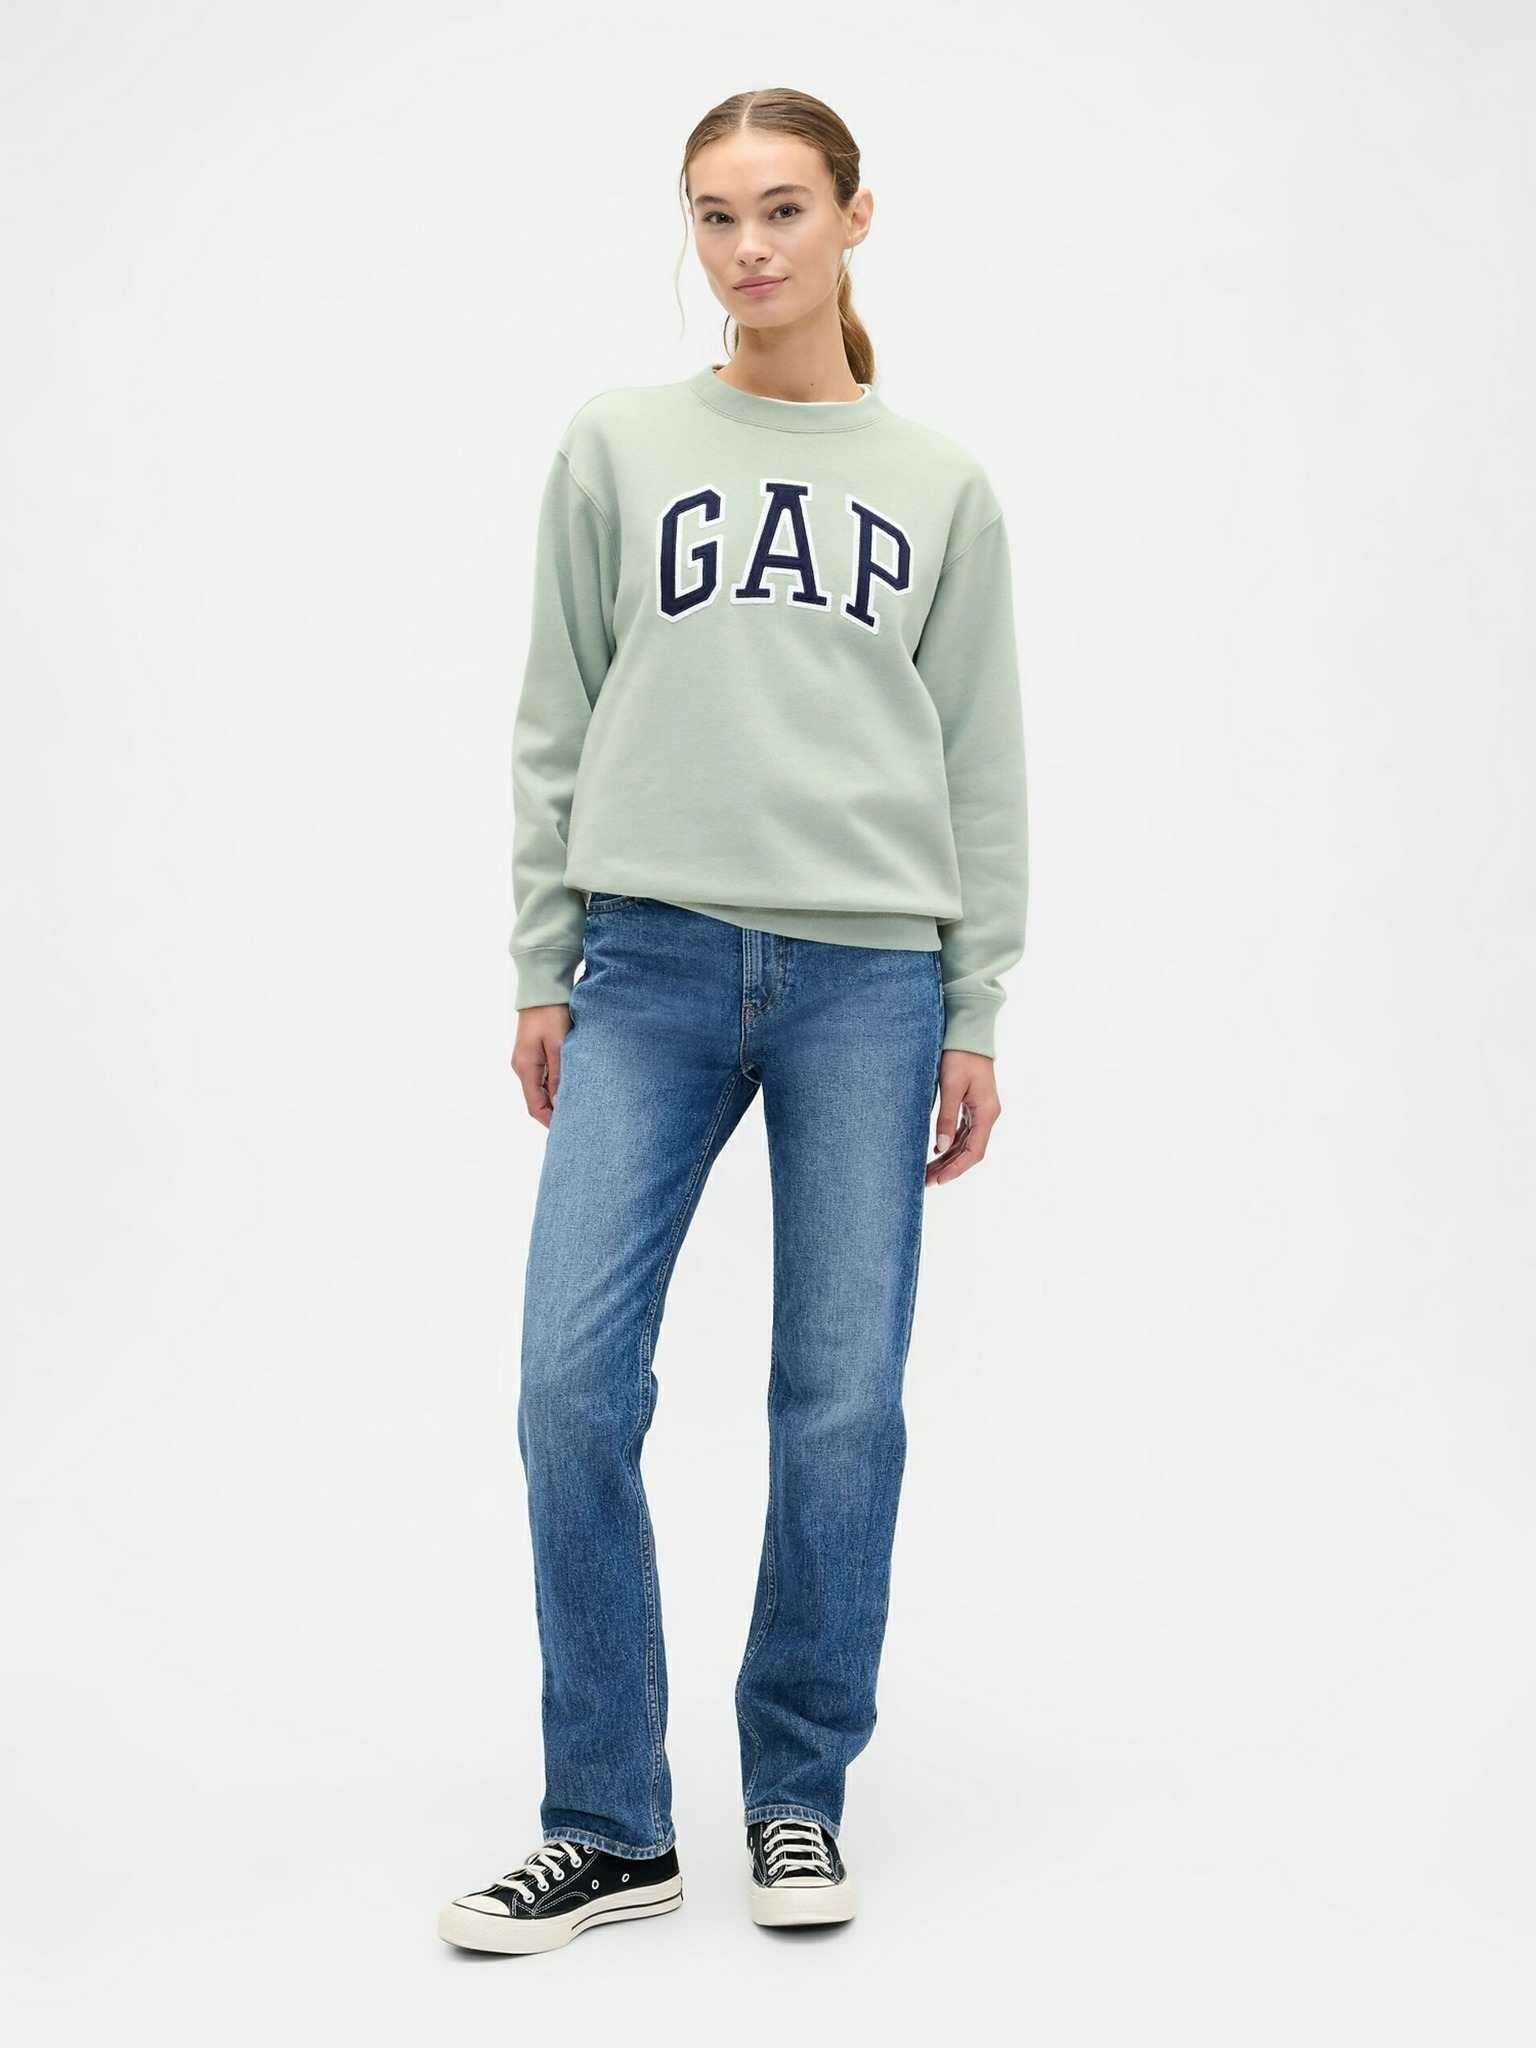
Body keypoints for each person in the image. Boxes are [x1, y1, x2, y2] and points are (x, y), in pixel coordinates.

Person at [438, 84, 1028, 1957]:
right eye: (715, 214)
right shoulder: (619, 442)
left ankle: (797, 1795)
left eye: (783, 208)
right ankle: (611, 1824)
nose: (749, 248)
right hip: (651, 963)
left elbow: (981, 760)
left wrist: (974, 1004)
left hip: (871, 979)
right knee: (568, 1387)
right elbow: (557, 712)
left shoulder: (938, 484)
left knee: (841, 1403)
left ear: (856, 216)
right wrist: (544, 959)